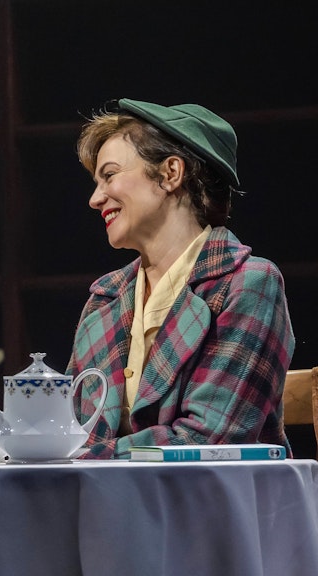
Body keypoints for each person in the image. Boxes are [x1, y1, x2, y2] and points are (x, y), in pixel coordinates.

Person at [67, 98, 293, 458]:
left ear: (171, 173)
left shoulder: (247, 284)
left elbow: (207, 440)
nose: (96, 198)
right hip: (106, 503)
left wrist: (78, 458)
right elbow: (71, 432)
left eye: (109, 175)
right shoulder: (106, 299)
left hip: (208, 507)